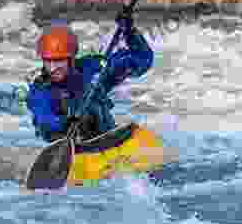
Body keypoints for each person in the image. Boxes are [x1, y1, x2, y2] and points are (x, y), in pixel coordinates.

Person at [25, 12, 154, 143]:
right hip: (71, 150)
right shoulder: (40, 90)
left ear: (71, 59)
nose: (52, 68)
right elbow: (46, 121)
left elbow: (142, 59)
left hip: (109, 142)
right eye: (48, 61)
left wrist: (130, 33)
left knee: (94, 108)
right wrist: (68, 122)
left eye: (58, 61)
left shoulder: (94, 70)